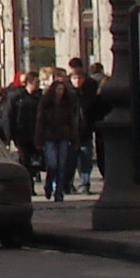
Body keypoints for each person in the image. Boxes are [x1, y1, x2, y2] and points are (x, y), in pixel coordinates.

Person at [36, 68, 81, 201]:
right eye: (58, 89)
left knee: (62, 165)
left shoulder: (67, 103)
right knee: (53, 164)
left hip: (63, 136)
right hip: (49, 136)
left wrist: (75, 140)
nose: (60, 92)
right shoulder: (46, 103)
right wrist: (39, 140)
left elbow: (72, 123)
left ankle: (59, 192)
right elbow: (40, 121)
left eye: (62, 90)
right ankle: (49, 184)